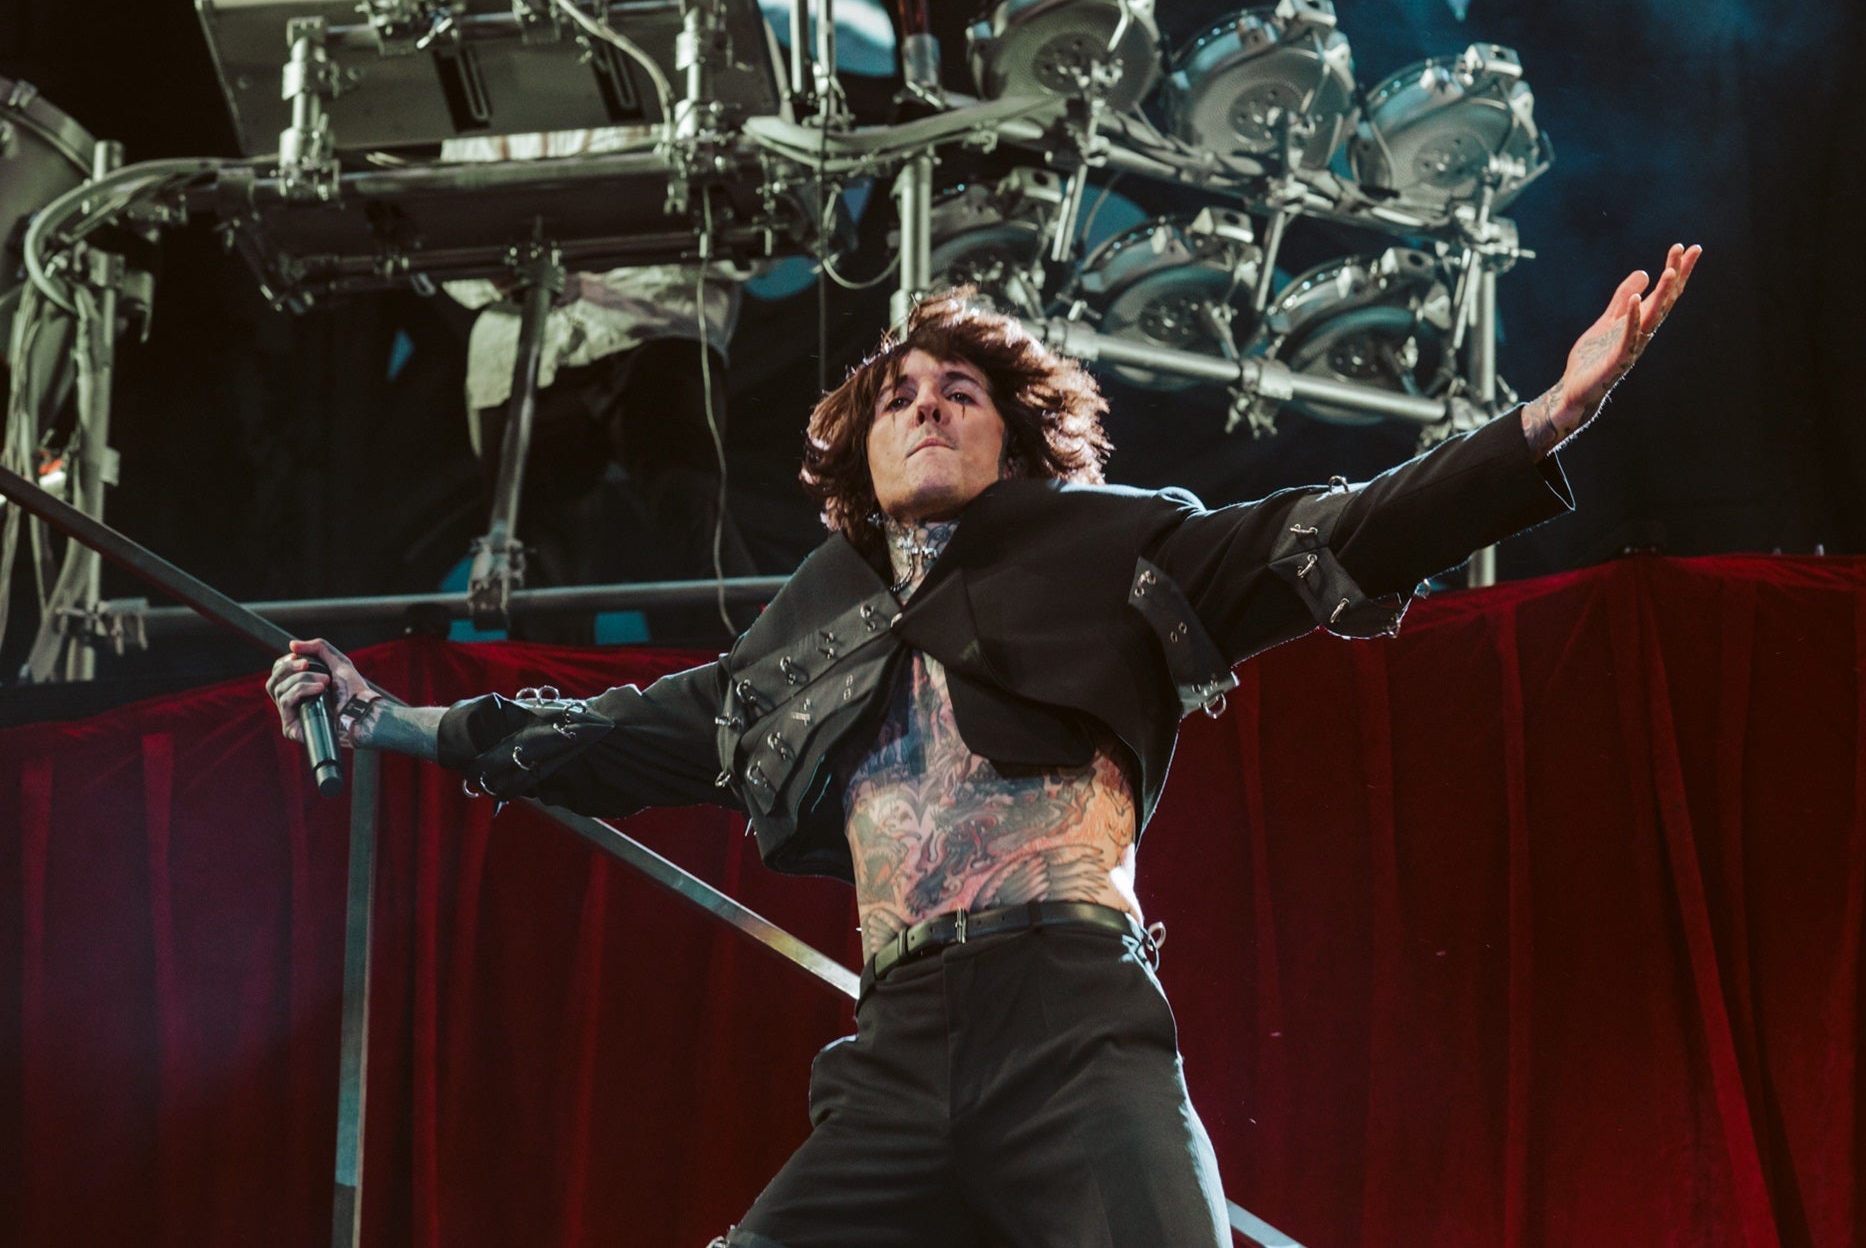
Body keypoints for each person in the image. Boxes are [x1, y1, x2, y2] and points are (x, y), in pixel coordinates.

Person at [268, 245, 1701, 1246]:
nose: (927, 404)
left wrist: (1542, 422)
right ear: (859, 449)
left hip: (1074, 1018)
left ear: (1013, 435)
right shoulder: (807, 619)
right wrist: (392, 719)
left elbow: (1335, 528)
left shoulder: (1115, 546)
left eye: (959, 389)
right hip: (897, 1045)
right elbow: (619, 733)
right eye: (898, 394)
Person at [440, 0, 754, 643]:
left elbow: (748, 189)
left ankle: (733, 709)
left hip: (653, 321)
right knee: (536, 577)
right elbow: (452, 201)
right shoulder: (499, 29)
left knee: (693, 546)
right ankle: (547, 721)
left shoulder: (702, 17)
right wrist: (489, 264)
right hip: (522, 344)